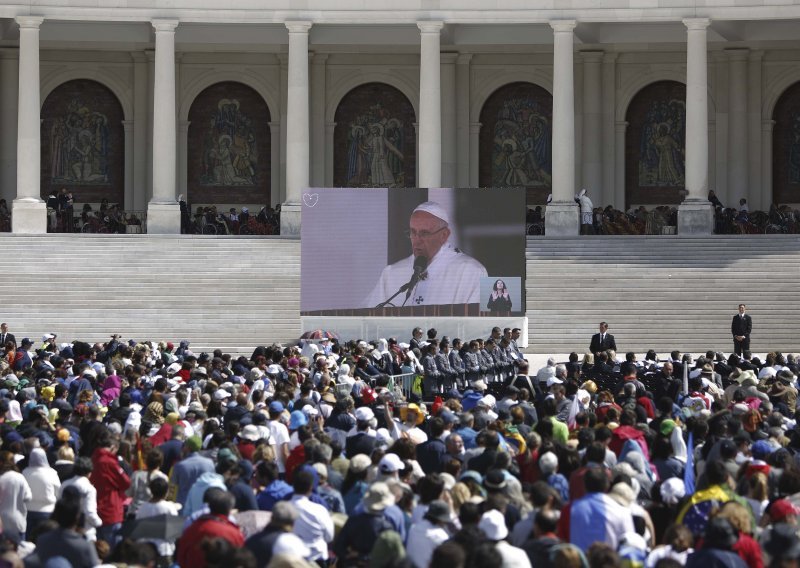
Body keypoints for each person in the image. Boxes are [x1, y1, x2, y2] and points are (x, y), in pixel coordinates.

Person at [364, 201, 488, 308]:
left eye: (424, 233)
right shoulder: (392, 273)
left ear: (444, 235)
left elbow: (481, 326)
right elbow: (365, 318)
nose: (417, 240)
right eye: (413, 232)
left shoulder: (470, 271)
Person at [176, 488, 245, 568]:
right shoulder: (235, 533)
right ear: (229, 509)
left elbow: (181, 555)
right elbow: (240, 560)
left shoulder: (193, 527)